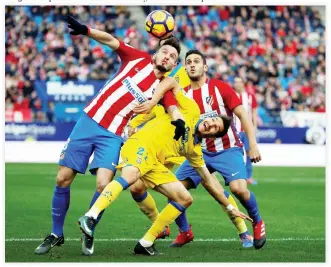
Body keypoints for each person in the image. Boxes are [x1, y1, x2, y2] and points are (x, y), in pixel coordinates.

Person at [34, 16, 186, 256]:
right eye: (165, 52)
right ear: (156, 53)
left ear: (174, 65)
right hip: (89, 122)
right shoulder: (137, 58)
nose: (168, 57)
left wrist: (179, 121)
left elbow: (173, 107)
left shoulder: (162, 87)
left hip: (113, 135)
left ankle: (89, 228)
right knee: (63, 178)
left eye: (173, 58)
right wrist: (86, 29)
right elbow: (111, 41)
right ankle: (56, 233)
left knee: (104, 184)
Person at [78, 79, 252, 256]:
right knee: (132, 177)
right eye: (213, 120)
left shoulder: (194, 149)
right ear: (208, 117)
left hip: (154, 164)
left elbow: (209, 179)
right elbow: (170, 83)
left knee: (184, 198)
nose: (211, 124)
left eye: (215, 128)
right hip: (141, 144)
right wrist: (153, 104)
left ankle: (146, 242)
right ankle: (91, 216)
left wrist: (230, 208)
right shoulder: (191, 110)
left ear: (212, 136)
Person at [134, 50, 266, 249]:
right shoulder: (183, 94)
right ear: (185, 68)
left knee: (239, 188)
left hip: (227, 149)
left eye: (197, 61)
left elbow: (243, 114)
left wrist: (253, 145)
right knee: (175, 190)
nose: (193, 65)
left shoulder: (221, 88)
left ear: (205, 67)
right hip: (198, 152)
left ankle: (257, 221)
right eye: (189, 62)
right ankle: (185, 232)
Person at [233, 77, 258, 185]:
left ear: (243, 84)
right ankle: (236, 176)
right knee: (235, 153)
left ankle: (248, 176)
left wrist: (254, 127)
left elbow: (253, 113)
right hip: (235, 130)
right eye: (235, 82)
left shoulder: (250, 97)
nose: (237, 84)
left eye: (239, 82)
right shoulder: (232, 95)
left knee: (249, 152)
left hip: (247, 130)